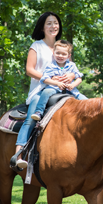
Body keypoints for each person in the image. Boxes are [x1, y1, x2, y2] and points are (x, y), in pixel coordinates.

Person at [13, 12, 84, 169]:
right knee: (31, 119)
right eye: (49, 23)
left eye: (56, 23)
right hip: (41, 90)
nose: (53, 26)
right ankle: (18, 154)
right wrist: (52, 80)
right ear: (42, 27)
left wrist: (72, 75)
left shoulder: (62, 47)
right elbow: (29, 70)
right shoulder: (36, 46)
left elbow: (70, 68)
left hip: (62, 91)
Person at [31, 40, 86, 121]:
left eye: (64, 54)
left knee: (85, 100)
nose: (60, 56)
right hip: (54, 88)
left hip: (70, 89)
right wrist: (57, 83)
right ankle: (39, 112)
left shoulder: (72, 65)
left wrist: (73, 85)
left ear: (68, 56)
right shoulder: (50, 66)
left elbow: (79, 78)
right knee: (46, 92)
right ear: (53, 53)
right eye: (58, 53)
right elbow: (45, 79)